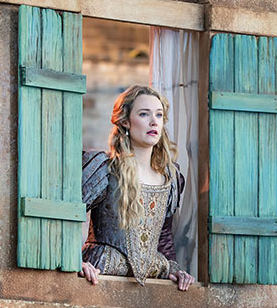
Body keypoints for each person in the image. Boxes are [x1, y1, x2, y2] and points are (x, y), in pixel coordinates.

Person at [79, 85, 195, 291]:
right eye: (144, 114)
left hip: (150, 282)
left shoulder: (171, 177)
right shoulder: (104, 168)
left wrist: (174, 270)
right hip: (101, 277)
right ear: (125, 121)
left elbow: (164, 234)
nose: (153, 122)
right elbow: (68, 214)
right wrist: (73, 260)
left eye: (159, 115)